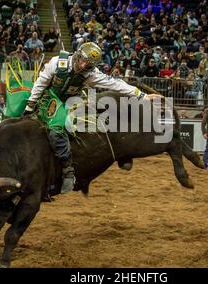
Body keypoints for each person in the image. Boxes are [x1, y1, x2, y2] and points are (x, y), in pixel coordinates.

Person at [22, 42, 159, 194]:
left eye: (87, 65)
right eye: (82, 60)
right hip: (49, 98)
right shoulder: (57, 63)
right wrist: (30, 104)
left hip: (70, 102)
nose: (82, 65)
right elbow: (42, 82)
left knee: (59, 127)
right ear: (78, 55)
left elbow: (114, 84)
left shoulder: (91, 74)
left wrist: (141, 95)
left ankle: (68, 169)